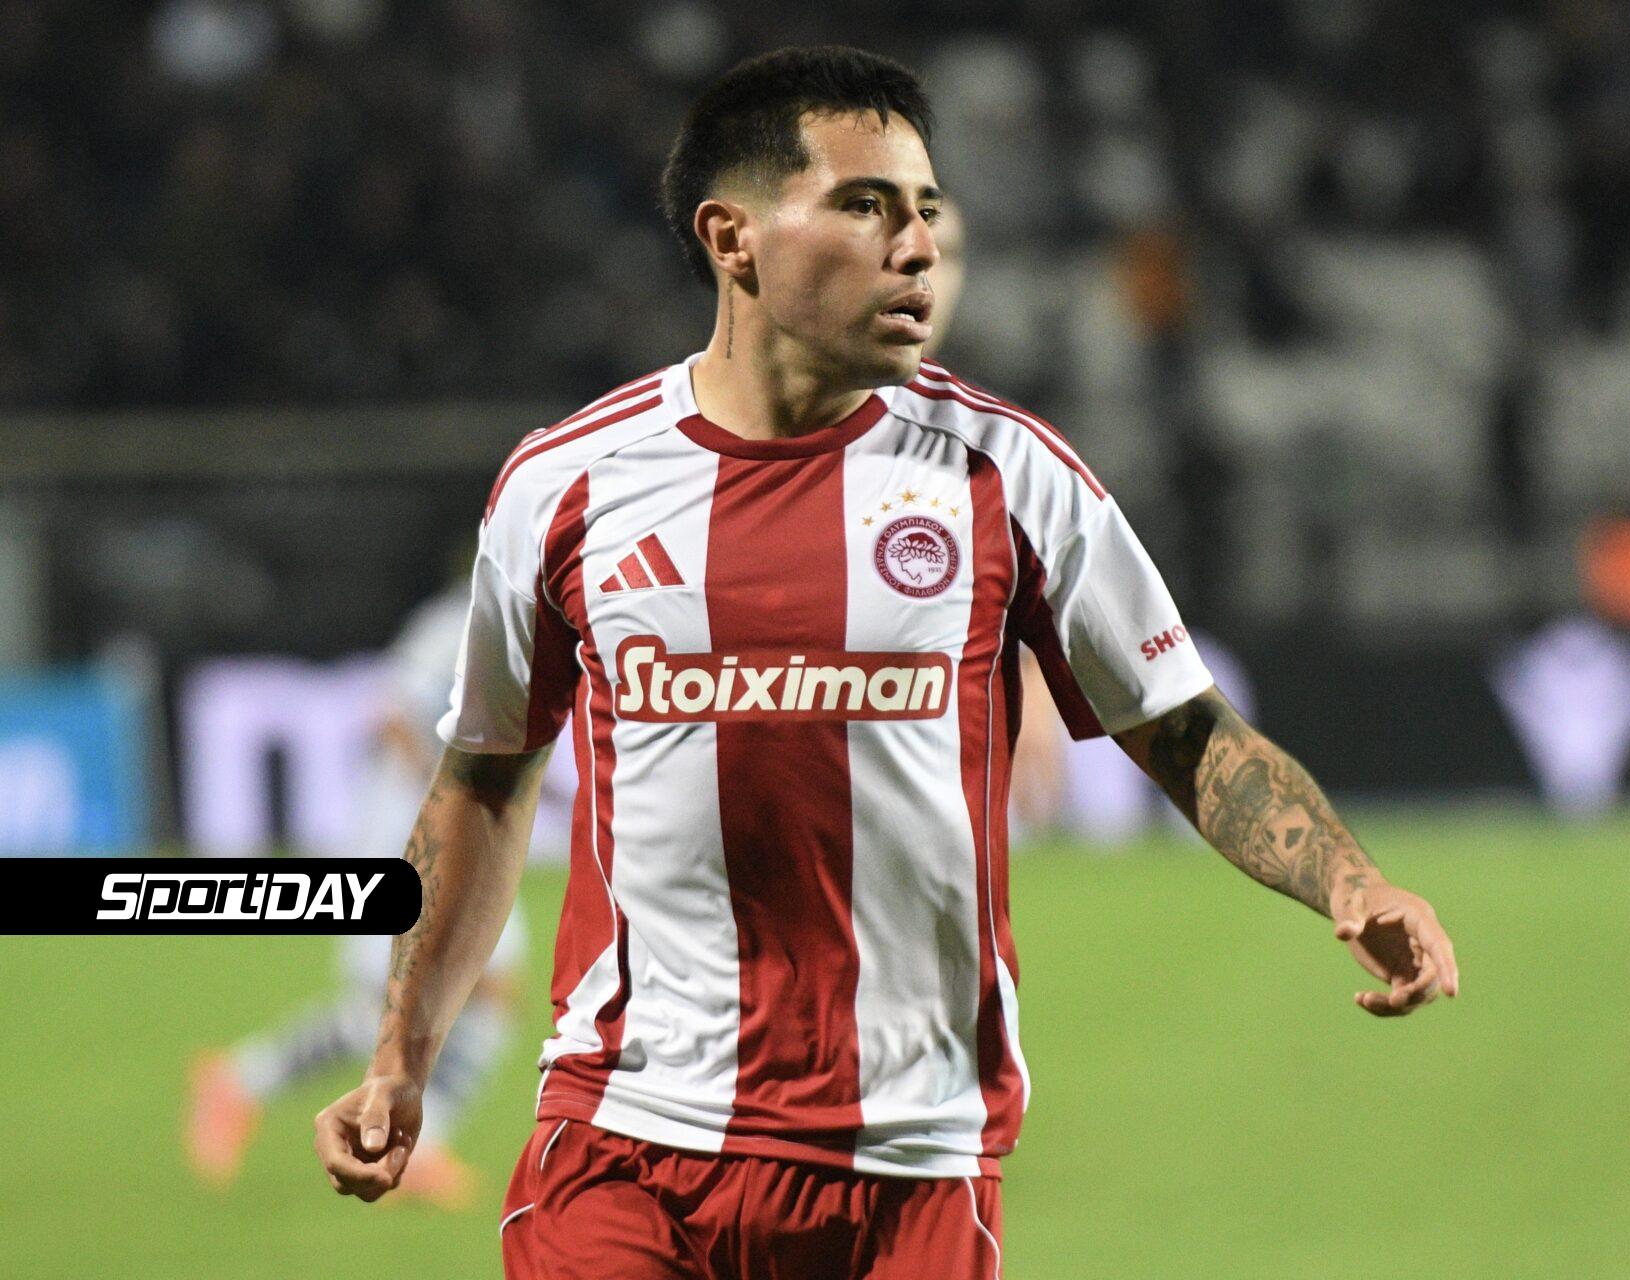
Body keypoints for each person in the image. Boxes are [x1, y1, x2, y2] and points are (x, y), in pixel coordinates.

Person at [312, 46, 1460, 1276]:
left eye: (925, 211)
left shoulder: (1012, 475)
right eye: (866, 206)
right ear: (733, 238)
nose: (916, 248)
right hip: (627, 1138)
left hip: (912, 1161)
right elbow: (484, 780)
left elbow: (1186, 733)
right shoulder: (567, 485)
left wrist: (1349, 879)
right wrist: (400, 1057)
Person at [187, 574, 531, 1208]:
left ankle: (251, 1084)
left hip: (459, 831)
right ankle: (242, 1082)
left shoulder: (524, 621)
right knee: (401, 1001)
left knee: (483, 989)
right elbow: (393, 714)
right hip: (411, 828)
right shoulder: (460, 621)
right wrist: (449, 797)